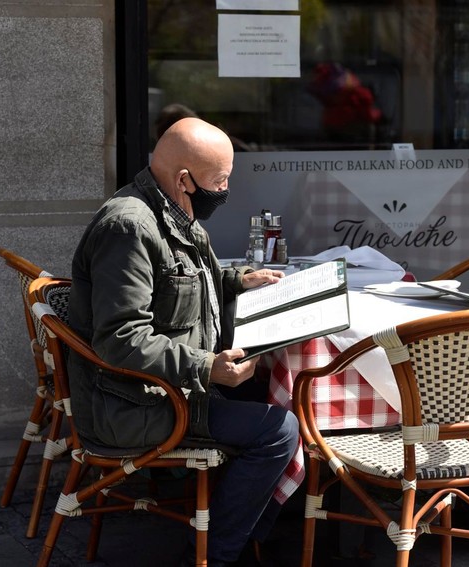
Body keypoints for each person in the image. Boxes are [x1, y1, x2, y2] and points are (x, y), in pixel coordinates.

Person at [67, 117, 299, 566]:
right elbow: (120, 337)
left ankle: (248, 530)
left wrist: (238, 280)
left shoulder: (174, 211)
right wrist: (206, 367)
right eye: (221, 180)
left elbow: (183, 282)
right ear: (184, 180)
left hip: (171, 388)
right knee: (279, 431)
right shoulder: (130, 227)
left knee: (286, 398)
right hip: (138, 403)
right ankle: (214, 554)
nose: (225, 189)